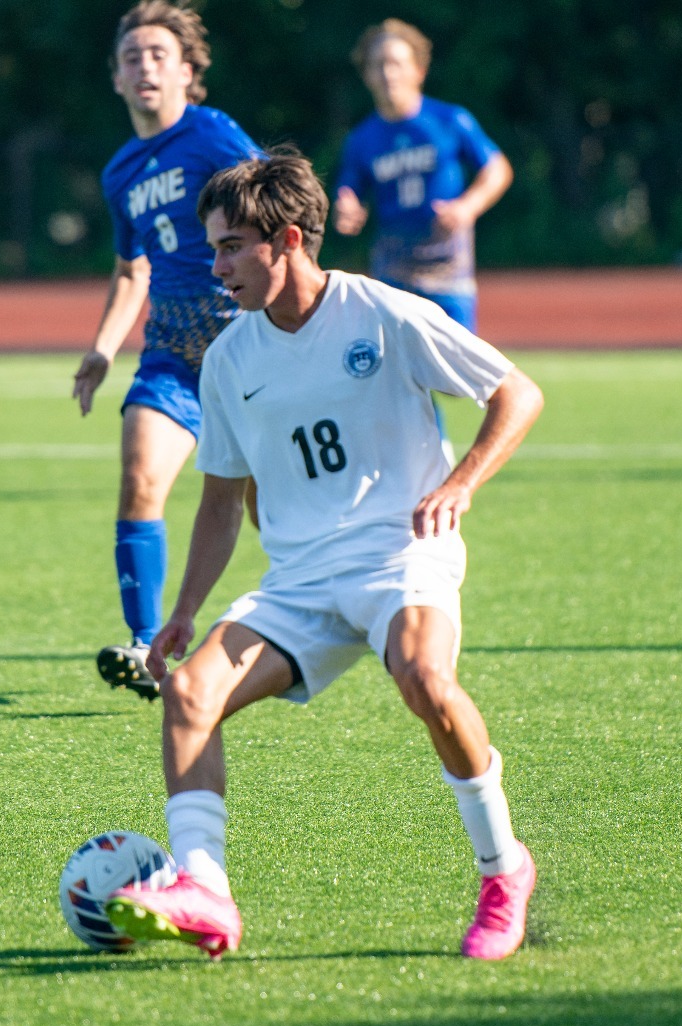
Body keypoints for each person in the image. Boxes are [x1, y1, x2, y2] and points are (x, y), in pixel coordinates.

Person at [103, 150, 547, 962]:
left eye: (233, 245)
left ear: (292, 240)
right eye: (214, 248)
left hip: (399, 555)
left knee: (425, 680)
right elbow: (219, 500)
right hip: (299, 582)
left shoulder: (384, 314)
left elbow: (518, 393)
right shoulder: (230, 358)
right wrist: (186, 611)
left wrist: (462, 484)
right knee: (190, 694)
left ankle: (503, 868)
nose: (218, 265)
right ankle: (205, 889)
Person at [77, 2, 263, 698]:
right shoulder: (120, 171)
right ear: (117, 80)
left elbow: (278, 202)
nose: (145, 66)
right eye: (132, 57)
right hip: (172, 356)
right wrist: (102, 349)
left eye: (159, 54)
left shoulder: (213, 135)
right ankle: (143, 645)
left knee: (265, 512)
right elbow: (133, 272)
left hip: (245, 351)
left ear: (189, 72)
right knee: (139, 478)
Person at [332, 19, 512, 332]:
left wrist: (468, 206)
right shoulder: (362, 139)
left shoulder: (449, 120)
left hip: (447, 267)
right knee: (394, 370)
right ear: (366, 75)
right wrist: (345, 206)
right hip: (393, 269)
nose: (388, 74)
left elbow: (497, 169)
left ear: (419, 70)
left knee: (459, 368)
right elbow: (349, 189)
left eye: (396, 63)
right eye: (378, 65)